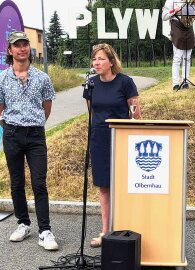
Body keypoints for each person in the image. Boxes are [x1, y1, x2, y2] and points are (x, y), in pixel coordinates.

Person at [0, 31, 58, 251]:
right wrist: (12, 128)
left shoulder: (42, 78)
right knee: (17, 182)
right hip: (12, 135)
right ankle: (23, 223)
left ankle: (45, 230)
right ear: (10, 51)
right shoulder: (0, 80)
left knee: (39, 182)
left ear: (29, 49)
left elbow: (46, 106)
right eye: (17, 45)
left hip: (36, 135)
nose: (22, 49)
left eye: (25, 45)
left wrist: (33, 124)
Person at [83, 43, 141, 248]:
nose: (96, 63)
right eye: (94, 59)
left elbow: (135, 113)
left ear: (111, 61)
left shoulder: (125, 82)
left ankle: (127, 230)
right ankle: (105, 232)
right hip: (99, 139)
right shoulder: (90, 84)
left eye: (100, 59)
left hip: (121, 139)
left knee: (124, 186)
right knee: (104, 187)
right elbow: (92, 113)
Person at [162, 0, 195, 90]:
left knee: (187, 58)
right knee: (177, 58)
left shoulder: (190, 1)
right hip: (177, 27)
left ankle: (186, 82)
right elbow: (164, 17)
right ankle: (175, 83)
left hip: (188, 28)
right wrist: (176, 10)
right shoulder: (170, 1)